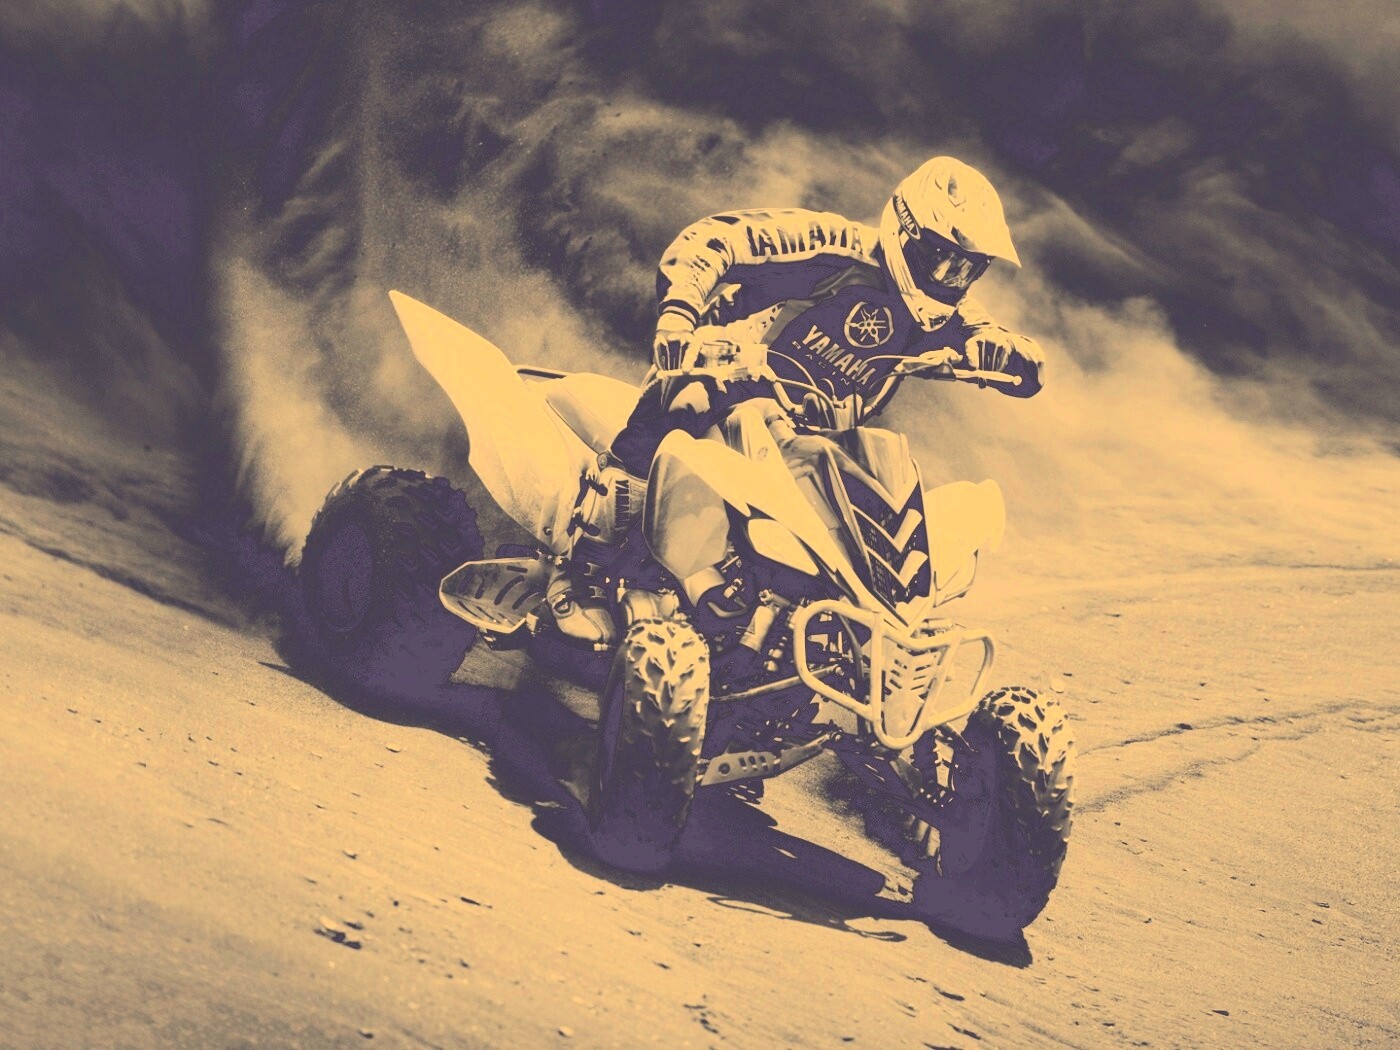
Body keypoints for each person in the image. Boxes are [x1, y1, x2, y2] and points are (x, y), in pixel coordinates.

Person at [548, 156, 1046, 644]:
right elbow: (714, 238)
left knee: (874, 481)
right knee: (683, 403)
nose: (950, 279)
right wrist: (680, 314)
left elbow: (1027, 367)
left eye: (966, 270)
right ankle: (581, 570)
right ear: (906, 233)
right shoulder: (835, 248)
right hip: (724, 384)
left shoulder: (951, 312)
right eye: (941, 259)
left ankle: (848, 630)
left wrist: (1005, 352)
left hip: (806, 434)